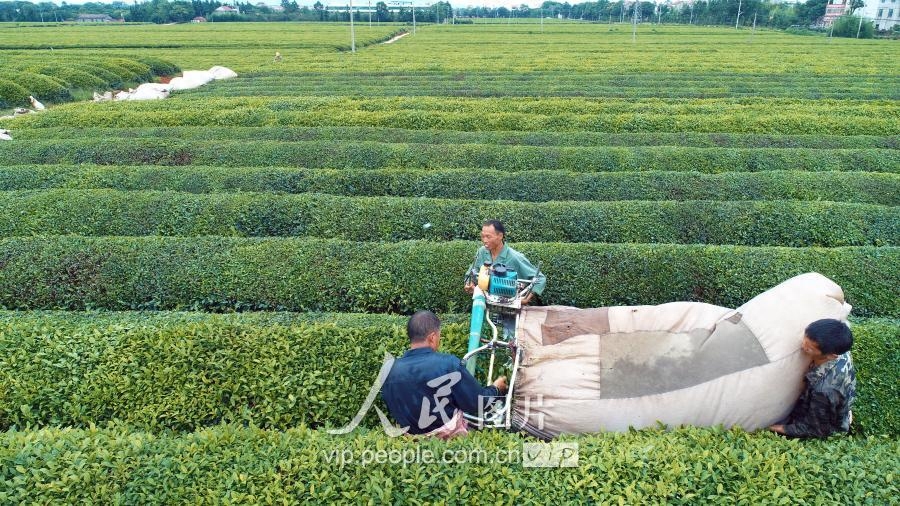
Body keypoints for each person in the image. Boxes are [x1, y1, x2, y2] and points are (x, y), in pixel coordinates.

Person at [381, 310, 508, 439]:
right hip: (447, 441)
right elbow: (477, 403)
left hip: (408, 441)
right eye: (439, 336)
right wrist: (496, 389)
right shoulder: (448, 364)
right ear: (432, 337)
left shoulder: (389, 369)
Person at [769, 318, 856, 438]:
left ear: (831, 356)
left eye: (809, 348)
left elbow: (814, 429)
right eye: (804, 340)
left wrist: (770, 428)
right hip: (833, 403)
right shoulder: (838, 345)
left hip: (823, 422)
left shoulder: (824, 389)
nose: (802, 346)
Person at [464, 220, 546, 305]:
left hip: (508, 306)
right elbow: (470, 274)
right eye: (482, 236)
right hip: (485, 304)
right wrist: (470, 284)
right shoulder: (481, 252)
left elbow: (540, 279)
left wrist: (525, 299)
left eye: (488, 237)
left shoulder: (515, 258)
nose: (484, 240)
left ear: (500, 236)